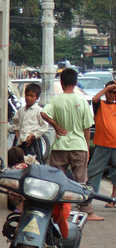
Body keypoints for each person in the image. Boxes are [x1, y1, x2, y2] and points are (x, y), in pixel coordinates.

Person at [40, 67, 98, 219]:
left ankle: (56, 208)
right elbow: (87, 127)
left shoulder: (56, 100)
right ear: (76, 82)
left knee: (56, 179)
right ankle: (86, 210)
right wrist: (86, 147)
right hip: (78, 145)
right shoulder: (82, 101)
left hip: (59, 146)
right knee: (81, 180)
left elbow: (43, 113)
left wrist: (57, 127)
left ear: (61, 82)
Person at [85, 81, 116, 215]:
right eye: (110, 92)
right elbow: (94, 99)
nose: (111, 95)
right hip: (102, 145)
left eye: (114, 93)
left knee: (115, 174)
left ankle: (113, 199)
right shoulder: (100, 105)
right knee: (94, 172)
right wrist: (107, 89)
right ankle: (89, 201)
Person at [10, 82, 49, 164]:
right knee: (19, 162)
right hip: (21, 142)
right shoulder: (21, 111)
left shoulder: (39, 111)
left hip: (33, 143)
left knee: (35, 163)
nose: (29, 98)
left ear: (37, 98)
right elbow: (15, 122)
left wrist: (33, 135)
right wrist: (17, 135)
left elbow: (44, 126)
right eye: (27, 95)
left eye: (32, 96)